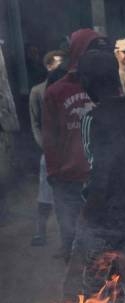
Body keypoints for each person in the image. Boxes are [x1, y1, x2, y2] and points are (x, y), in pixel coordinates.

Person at [64, 50, 125, 303]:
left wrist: (87, 218)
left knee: (83, 293)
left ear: (90, 81)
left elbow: (97, 172)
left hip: (101, 221)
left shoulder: (91, 119)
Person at [43, 29, 109, 261]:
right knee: (72, 236)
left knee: (102, 240)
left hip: (102, 177)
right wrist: (52, 171)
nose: (99, 55)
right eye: (93, 49)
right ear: (78, 52)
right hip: (68, 178)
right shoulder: (56, 92)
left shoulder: (109, 87)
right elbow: (50, 137)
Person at [28, 50, 65, 247]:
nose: (62, 68)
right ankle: (40, 232)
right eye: (58, 64)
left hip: (71, 151)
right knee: (45, 194)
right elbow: (35, 124)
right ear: (48, 66)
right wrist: (46, 146)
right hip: (50, 152)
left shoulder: (72, 90)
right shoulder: (37, 91)